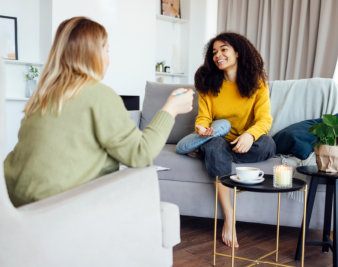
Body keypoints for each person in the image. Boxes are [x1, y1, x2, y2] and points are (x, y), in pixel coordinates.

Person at [4, 17, 194, 207]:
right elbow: (141, 153)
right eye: (106, 50)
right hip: (55, 208)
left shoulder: (43, 96)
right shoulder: (98, 94)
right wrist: (171, 109)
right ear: (92, 54)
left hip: (14, 200)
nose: (108, 58)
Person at [193, 32, 276, 247]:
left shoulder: (257, 83)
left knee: (268, 143)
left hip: (245, 142)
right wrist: (201, 127)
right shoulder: (208, 83)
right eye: (214, 52)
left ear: (237, 53)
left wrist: (250, 135)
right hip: (218, 139)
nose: (217, 55)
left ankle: (213, 157)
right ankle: (230, 217)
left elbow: (265, 119)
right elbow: (204, 117)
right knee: (214, 145)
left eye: (223, 49)